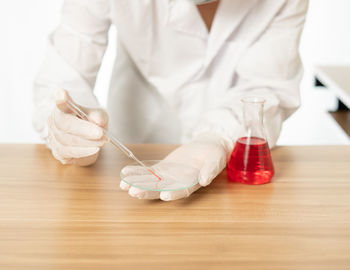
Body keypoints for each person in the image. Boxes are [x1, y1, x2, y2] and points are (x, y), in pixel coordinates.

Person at [33, 0, 308, 200]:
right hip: (139, 139)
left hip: (229, 178)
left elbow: (265, 86)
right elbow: (63, 74)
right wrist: (67, 127)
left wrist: (216, 139)